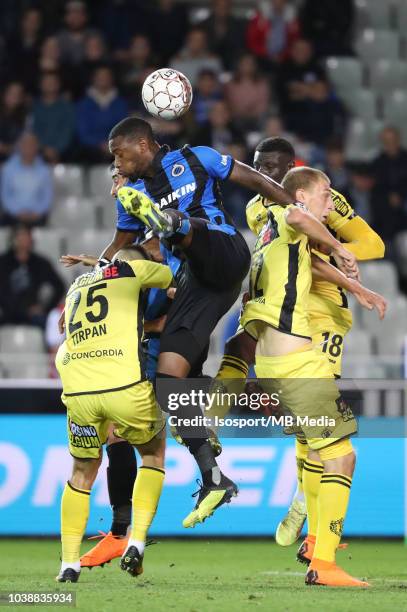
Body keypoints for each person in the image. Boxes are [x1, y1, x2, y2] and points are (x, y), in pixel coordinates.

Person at [110, 116, 357, 527]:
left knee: (177, 227)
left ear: (141, 144)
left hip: (223, 250)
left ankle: (170, 222)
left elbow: (257, 182)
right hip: (198, 285)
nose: (116, 162)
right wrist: (90, 281)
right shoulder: (130, 193)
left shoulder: (197, 158)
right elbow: (118, 248)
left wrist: (298, 210)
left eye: (119, 153)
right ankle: (213, 477)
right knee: (170, 378)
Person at [205, 136, 385, 552]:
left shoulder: (325, 199)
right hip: (287, 312)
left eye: (269, 167)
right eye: (255, 166)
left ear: (290, 169)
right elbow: (288, 256)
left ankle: (312, 518)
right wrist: (316, 250)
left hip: (324, 314)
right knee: (306, 426)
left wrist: (337, 250)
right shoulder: (257, 209)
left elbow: (374, 244)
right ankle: (311, 515)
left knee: (319, 430)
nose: (260, 176)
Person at [240, 167, 383, 587]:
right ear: (300, 195)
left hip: (273, 363)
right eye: (324, 194)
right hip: (298, 363)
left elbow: (311, 265)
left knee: (322, 452)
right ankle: (326, 563)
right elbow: (300, 217)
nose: (329, 202)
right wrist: (338, 244)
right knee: (342, 456)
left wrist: (356, 289)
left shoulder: (270, 234)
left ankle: (317, 544)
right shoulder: (291, 215)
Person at [55, 245, 172, 582]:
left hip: (79, 391)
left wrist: (95, 261)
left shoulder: (76, 286)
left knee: (80, 473)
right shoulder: (132, 270)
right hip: (123, 386)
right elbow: (171, 275)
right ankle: (135, 540)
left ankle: (68, 563)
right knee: (153, 452)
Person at [0, 225, 65, 328]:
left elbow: (59, 286)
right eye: (19, 236)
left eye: (25, 236)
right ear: (13, 239)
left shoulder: (40, 263)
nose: (22, 240)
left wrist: (45, 308)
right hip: (7, 313)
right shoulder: (3, 262)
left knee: (52, 324)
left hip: (33, 315)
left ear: (31, 239)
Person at [76, 65, 129, 163]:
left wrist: (112, 144)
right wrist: (100, 144)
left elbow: (124, 130)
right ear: (94, 79)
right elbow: (83, 133)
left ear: (111, 79)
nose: (103, 79)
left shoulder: (121, 104)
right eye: (100, 76)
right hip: (91, 150)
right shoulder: (83, 104)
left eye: (106, 76)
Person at [1, 132, 53, 226]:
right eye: (25, 144)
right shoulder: (8, 169)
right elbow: (5, 195)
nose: (28, 148)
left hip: (37, 217)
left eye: (32, 144)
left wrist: (36, 213)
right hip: (13, 216)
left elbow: (47, 196)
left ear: (37, 147)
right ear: (19, 146)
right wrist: (17, 212)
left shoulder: (44, 170)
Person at [32, 71, 75, 163]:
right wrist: (43, 149)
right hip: (37, 152)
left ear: (58, 85)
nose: (50, 84)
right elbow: (33, 130)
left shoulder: (67, 107)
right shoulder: (33, 107)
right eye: (46, 82)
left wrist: (56, 149)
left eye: (53, 82)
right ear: (40, 85)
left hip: (63, 154)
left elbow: (68, 131)